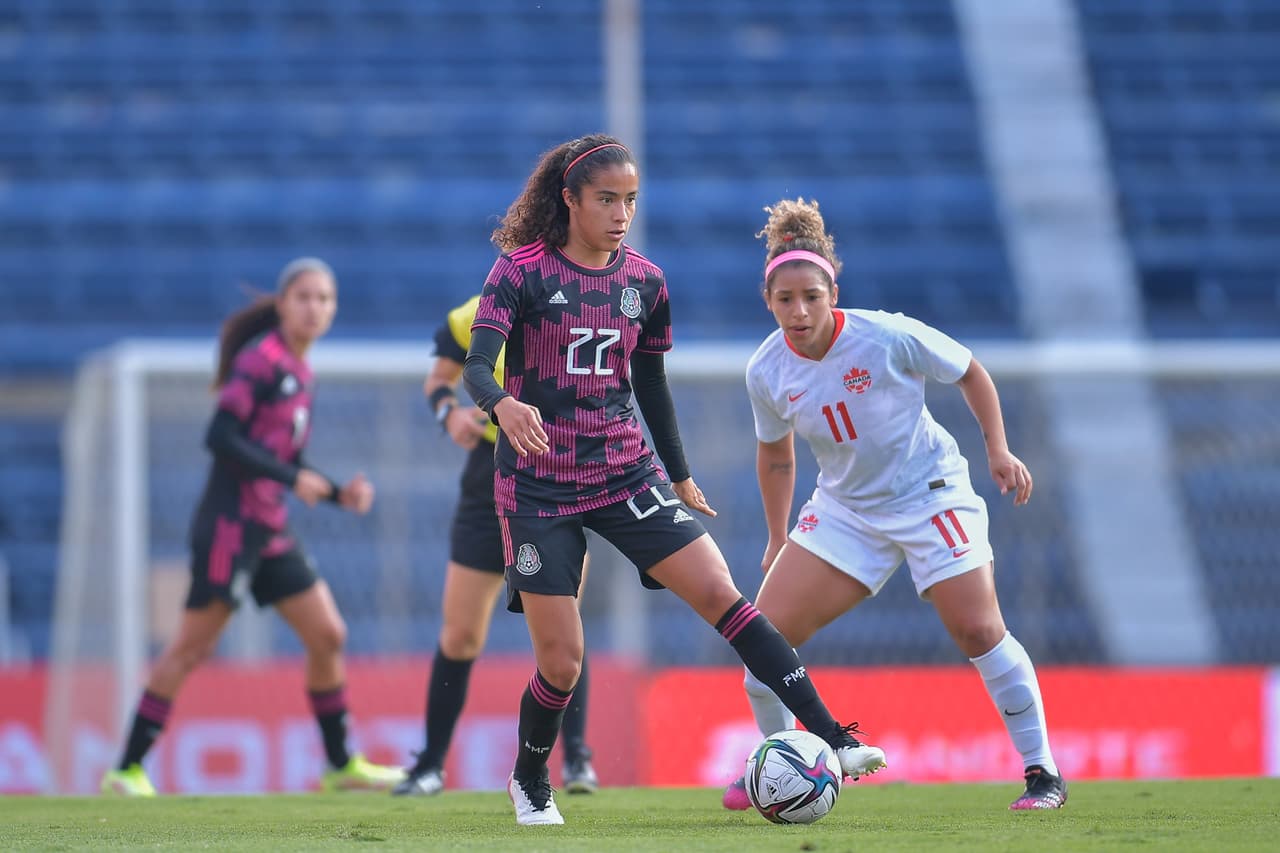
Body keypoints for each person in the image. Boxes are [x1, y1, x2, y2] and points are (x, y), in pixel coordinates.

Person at [462, 134, 886, 826]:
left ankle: (835, 737)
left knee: (727, 595)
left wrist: (679, 474)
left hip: (626, 473)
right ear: (569, 200)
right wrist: (503, 404)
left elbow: (650, 381)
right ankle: (530, 775)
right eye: (606, 199)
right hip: (538, 488)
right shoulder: (522, 272)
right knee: (563, 663)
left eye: (629, 199)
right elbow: (478, 365)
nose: (621, 212)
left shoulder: (645, 283)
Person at [722, 198, 1065, 811]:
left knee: (978, 629)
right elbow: (776, 457)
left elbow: (970, 371)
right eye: (784, 300)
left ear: (833, 290)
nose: (799, 312)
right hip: (847, 509)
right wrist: (778, 536)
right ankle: (776, 769)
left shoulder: (887, 334)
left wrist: (998, 451)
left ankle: (1043, 774)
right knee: (762, 638)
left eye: (811, 296)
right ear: (767, 299)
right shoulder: (765, 370)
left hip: (930, 494)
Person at [100, 258, 404, 796]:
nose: (315, 307)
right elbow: (221, 436)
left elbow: (285, 454)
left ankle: (338, 766)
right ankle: (125, 769)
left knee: (328, 634)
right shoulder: (261, 361)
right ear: (283, 305)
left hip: (270, 529)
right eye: (305, 297)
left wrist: (337, 493)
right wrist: (292, 475)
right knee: (190, 650)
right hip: (231, 529)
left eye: (325, 299)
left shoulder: (301, 371)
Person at [393, 295, 598, 797]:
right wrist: (449, 416)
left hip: (560, 472)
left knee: (563, 624)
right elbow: (439, 382)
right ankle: (430, 765)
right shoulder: (478, 311)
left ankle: (577, 760)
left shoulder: (594, 302)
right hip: (491, 473)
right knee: (461, 632)